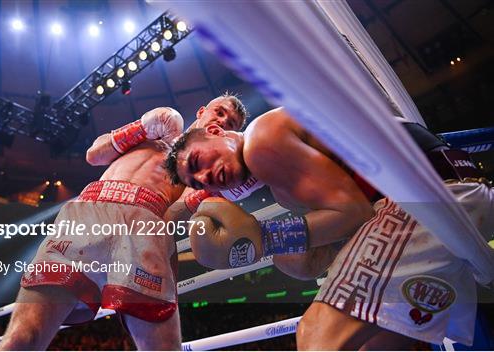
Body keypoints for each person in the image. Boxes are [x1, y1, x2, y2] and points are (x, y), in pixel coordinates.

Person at [164, 107, 494, 348]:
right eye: (198, 180)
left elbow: (354, 212)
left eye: (197, 162)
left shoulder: (261, 142)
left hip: (424, 195)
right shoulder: (284, 188)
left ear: (216, 133)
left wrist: (266, 238)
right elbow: (348, 230)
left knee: (317, 336)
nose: (205, 176)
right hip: (450, 190)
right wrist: (273, 249)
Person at [0, 93, 248, 351]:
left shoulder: (206, 175)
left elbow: (172, 218)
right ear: (202, 111)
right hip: (88, 213)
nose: (224, 120)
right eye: (220, 111)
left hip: (144, 228)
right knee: (22, 339)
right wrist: (142, 126)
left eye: (231, 122)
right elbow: (94, 155)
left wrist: (206, 191)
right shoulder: (158, 131)